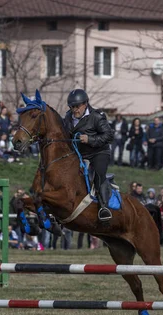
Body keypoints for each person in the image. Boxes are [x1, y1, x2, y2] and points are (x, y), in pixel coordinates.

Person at [63, 89, 113, 221]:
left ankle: (104, 207)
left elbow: (109, 135)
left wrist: (90, 139)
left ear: (85, 104)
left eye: (77, 106)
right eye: (71, 107)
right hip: (79, 154)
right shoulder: (68, 117)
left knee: (98, 173)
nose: (74, 110)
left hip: (99, 152)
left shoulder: (96, 116)